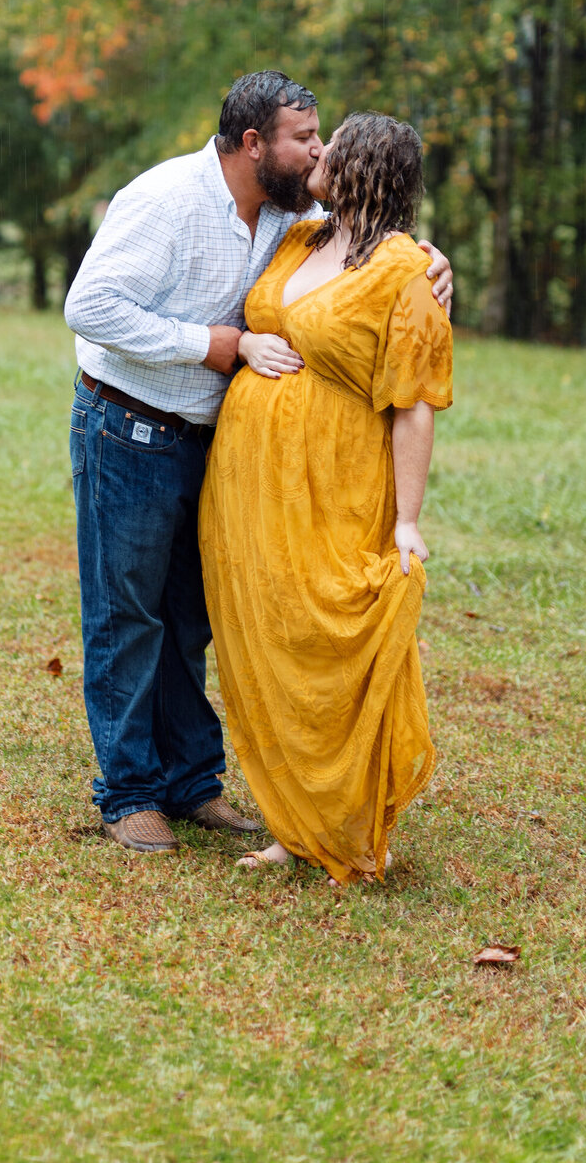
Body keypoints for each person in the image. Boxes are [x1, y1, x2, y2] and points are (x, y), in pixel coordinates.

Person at [64, 73, 453, 855]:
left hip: (212, 450)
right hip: (130, 429)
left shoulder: (293, 214)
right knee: (127, 615)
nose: (317, 150)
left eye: (323, 141)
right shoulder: (167, 199)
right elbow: (90, 307)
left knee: (188, 622)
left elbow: (371, 239)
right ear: (253, 143)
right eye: (305, 138)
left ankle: (191, 784)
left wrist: (432, 260)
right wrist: (216, 344)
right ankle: (130, 793)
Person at [198, 112, 452, 885]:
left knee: (326, 638)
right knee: (269, 634)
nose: (319, 152)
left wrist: (407, 521)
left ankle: (343, 822)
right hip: (249, 482)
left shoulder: (407, 271)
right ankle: (289, 821)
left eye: (333, 147)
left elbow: (413, 404)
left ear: (366, 168)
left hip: (335, 483)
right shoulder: (301, 237)